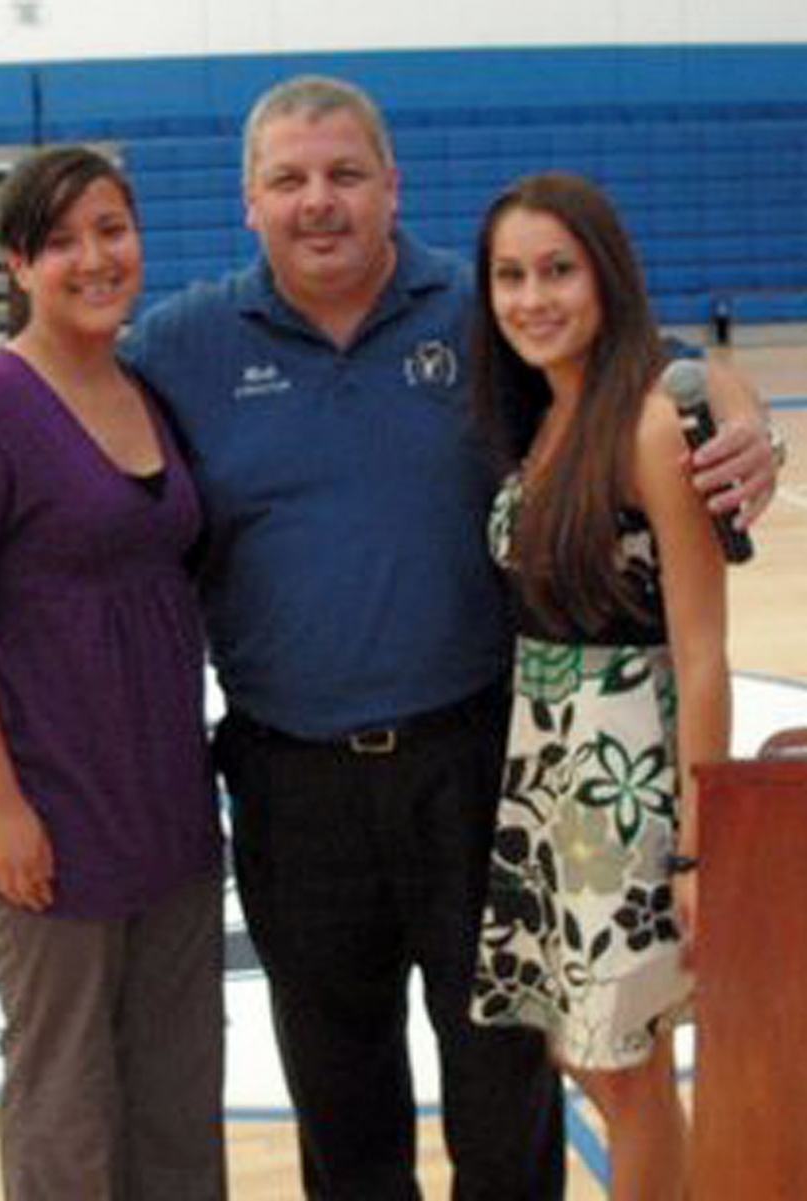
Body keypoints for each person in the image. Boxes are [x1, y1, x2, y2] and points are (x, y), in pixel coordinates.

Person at [0, 78, 778, 1200]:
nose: (319, 202)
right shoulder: (182, 345)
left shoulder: (484, 314)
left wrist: (741, 411)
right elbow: (49, 388)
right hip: (289, 783)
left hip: (476, 770)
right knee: (341, 1099)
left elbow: (634, 365)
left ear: (391, 187)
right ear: (247, 203)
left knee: (503, 1091)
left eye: (344, 175)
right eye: (289, 180)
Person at [0, 147, 226, 1201]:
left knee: (177, 1103)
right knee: (66, 1112)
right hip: (54, 814)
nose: (95, 258)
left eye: (113, 229)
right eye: (63, 241)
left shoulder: (148, 391)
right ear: (19, 264)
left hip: (169, 807)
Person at [467, 171, 730, 1200]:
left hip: (626, 782)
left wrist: (699, 847)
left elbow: (701, 650)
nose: (533, 297)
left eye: (557, 271)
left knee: (624, 1070)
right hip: (548, 769)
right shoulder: (545, 415)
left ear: (606, 277)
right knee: (583, 1053)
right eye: (510, 275)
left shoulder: (652, 421)